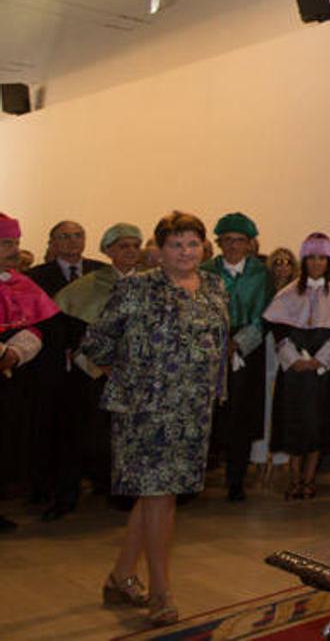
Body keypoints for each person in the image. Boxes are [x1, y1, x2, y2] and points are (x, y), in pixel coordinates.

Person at [83, 211, 230, 627]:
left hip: (193, 412)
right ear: (159, 251)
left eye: (192, 243)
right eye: (176, 244)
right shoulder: (137, 288)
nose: (185, 252)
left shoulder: (215, 287)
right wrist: (130, 378)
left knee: (155, 497)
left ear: (204, 247)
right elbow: (96, 342)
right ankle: (161, 592)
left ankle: (120, 576)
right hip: (144, 412)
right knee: (160, 498)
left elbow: (219, 344)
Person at [48, 223, 144, 518]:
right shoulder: (87, 285)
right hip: (92, 375)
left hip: (135, 375)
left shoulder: (151, 284)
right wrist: (98, 364)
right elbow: (74, 332)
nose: (130, 251)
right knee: (85, 435)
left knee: (129, 437)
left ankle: (124, 495)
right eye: (123, 246)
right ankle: (68, 496)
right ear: (108, 250)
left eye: (134, 246)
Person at [24, 220, 108, 517]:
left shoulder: (101, 272)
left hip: (95, 365)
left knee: (96, 426)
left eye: (78, 236)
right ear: (53, 243)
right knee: (60, 430)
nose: (72, 242)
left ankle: (101, 482)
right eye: (65, 237)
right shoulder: (35, 277)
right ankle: (60, 491)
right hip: (54, 365)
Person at [265, 233, 330, 499]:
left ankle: (309, 479)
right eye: (311, 258)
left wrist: (321, 359)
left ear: (328, 261)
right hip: (295, 371)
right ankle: (294, 479)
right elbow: (277, 329)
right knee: (294, 423)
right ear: (304, 261)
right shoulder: (288, 292)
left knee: (318, 422)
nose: (316, 263)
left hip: (324, 370)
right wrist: (295, 360)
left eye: (322, 258)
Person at [201, 213, 270, 502]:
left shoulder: (261, 274)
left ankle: (236, 480)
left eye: (239, 240)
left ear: (249, 244)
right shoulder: (205, 271)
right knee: (209, 414)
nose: (233, 246)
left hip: (247, 350)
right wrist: (218, 343)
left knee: (241, 414)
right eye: (227, 240)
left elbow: (266, 314)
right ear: (218, 243)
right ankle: (198, 479)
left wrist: (239, 343)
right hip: (209, 348)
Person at [0, 213, 59, 533]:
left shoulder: (23, 283)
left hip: (14, 379)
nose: (14, 250)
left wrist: (17, 351)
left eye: (16, 243)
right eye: (6, 242)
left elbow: (41, 326)